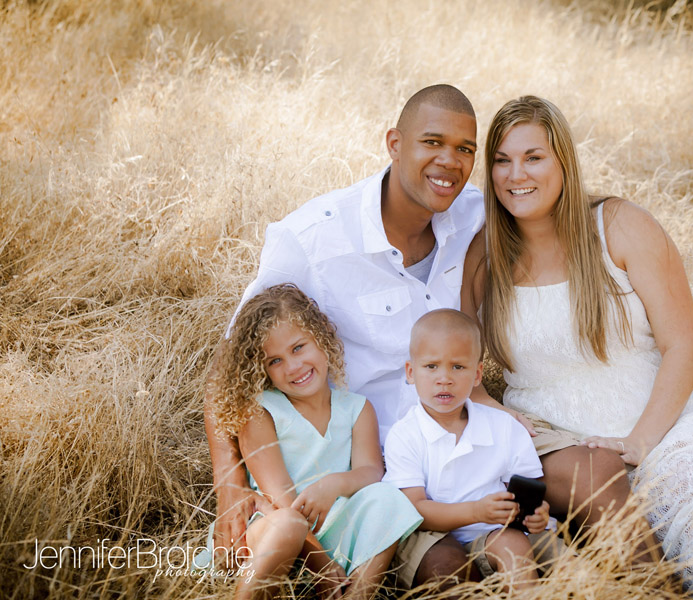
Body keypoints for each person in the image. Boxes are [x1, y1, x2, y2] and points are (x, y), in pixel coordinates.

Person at [203, 84, 632, 589]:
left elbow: (560, 216)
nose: (449, 161)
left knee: (597, 473)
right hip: (391, 460)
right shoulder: (312, 239)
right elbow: (229, 364)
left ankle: (653, 587)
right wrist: (229, 484)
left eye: (465, 149)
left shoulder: (475, 214)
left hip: (476, 422)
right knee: (446, 572)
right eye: (432, 142)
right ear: (394, 143)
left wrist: (668, 342)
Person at [462, 95, 693, 598]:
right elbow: (459, 364)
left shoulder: (618, 226)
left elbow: (683, 346)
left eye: (533, 157)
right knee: (636, 538)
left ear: (563, 161)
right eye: (502, 160)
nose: (516, 174)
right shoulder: (485, 256)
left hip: (663, 426)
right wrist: (494, 409)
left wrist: (639, 443)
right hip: (557, 444)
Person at [205, 283, 422, 599]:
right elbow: (278, 496)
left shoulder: (357, 408)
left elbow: (371, 471)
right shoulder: (260, 411)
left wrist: (333, 484)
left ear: (322, 339)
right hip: (271, 532)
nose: (293, 367)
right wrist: (320, 562)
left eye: (298, 348)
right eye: (274, 361)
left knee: (389, 498)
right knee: (289, 524)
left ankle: (357, 595)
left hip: (333, 528)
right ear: (261, 370)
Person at [383, 309, 562, 592]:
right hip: (439, 537)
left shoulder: (504, 426)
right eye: (431, 366)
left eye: (458, 367)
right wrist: (477, 511)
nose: (444, 378)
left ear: (477, 374)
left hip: (502, 533)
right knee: (498, 551)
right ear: (411, 372)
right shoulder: (404, 435)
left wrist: (537, 514)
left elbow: (530, 492)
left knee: (563, 563)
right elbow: (416, 510)